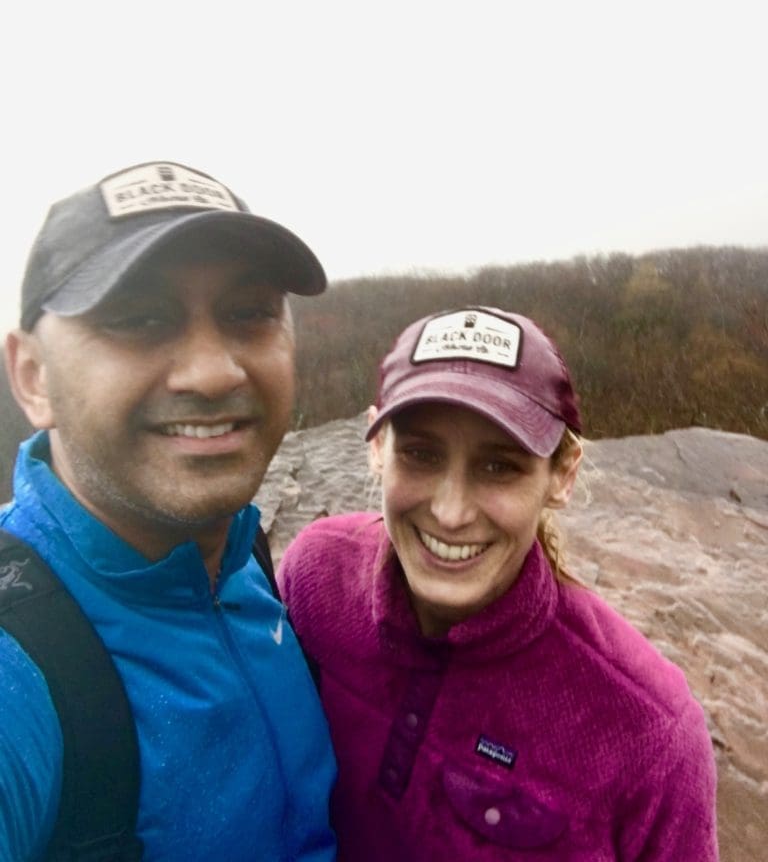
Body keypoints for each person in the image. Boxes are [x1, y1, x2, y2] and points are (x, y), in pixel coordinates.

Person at [278, 306, 719, 861]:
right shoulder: (316, 576)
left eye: (499, 467)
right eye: (420, 453)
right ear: (376, 449)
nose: (451, 511)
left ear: (562, 475)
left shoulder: (647, 734)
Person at [0, 162, 337, 861]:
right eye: (137, 319)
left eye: (250, 313)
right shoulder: (19, 668)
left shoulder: (244, 563)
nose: (213, 372)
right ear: (33, 376)